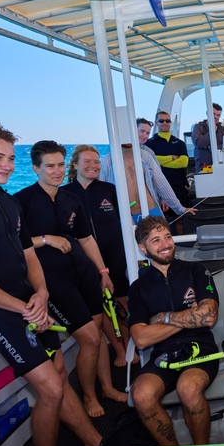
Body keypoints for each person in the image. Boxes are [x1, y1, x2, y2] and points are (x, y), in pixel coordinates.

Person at [0, 123, 102, 446]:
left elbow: (29, 256)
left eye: (10, 157)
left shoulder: (7, 202)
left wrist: (40, 294)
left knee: (58, 370)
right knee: (51, 389)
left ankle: (94, 443)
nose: (7, 164)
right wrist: (24, 307)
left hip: (28, 303)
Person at [14, 141, 128, 418]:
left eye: (60, 165)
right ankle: (88, 396)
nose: (57, 171)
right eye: (50, 166)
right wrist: (45, 239)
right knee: (89, 338)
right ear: (35, 169)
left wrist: (103, 272)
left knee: (98, 335)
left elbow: (86, 239)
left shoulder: (70, 199)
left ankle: (107, 387)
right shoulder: (21, 201)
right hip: (53, 282)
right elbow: (13, 244)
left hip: (84, 273)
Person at [128, 215, 219, 446]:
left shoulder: (196, 270)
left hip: (200, 350)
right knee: (141, 394)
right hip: (163, 356)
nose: (165, 244)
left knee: (188, 389)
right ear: (144, 249)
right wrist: (186, 318)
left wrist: (163, 319)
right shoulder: (138, 288)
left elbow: (209, 316)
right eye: (156, 240)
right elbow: (141, 337)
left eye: (167, 236)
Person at [62, 145, 137, 367]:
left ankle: (132, 345)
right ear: (75, 165)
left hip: (116, 255)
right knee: (102, 307)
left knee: (123, 304)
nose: (93, 166)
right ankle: (119, 350)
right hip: (85, 261)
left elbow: (127, 221)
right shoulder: (65, 194)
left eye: (96, 162)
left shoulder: (109, 189)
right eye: (87, 161)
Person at [100, 141, 196, 224]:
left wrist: (180, 208)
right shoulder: (106, 162)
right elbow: (102, 195)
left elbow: (162, 184)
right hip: (126, 219)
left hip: (152, 213)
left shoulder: (145, 156)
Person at [145, 111, 190, 207]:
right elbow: (149, 160)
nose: (165, 123)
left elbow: (184, 162)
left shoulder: (180, 143)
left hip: (179, 185)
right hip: (158, 187)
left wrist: (159, 161)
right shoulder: (149, 143)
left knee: (181, 217)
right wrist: (172, 157)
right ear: (156, 123)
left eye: (167, 121)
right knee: (161, 220)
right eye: (161, 121)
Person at [191, 102, 224, 173]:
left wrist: (208, 146)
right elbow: (198, 143)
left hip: (221, 168)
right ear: (207, 113)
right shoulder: (198, 127)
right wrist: (212, 132)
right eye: (213, 114)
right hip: (203, 169)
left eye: (218, 115)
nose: (215, 117)